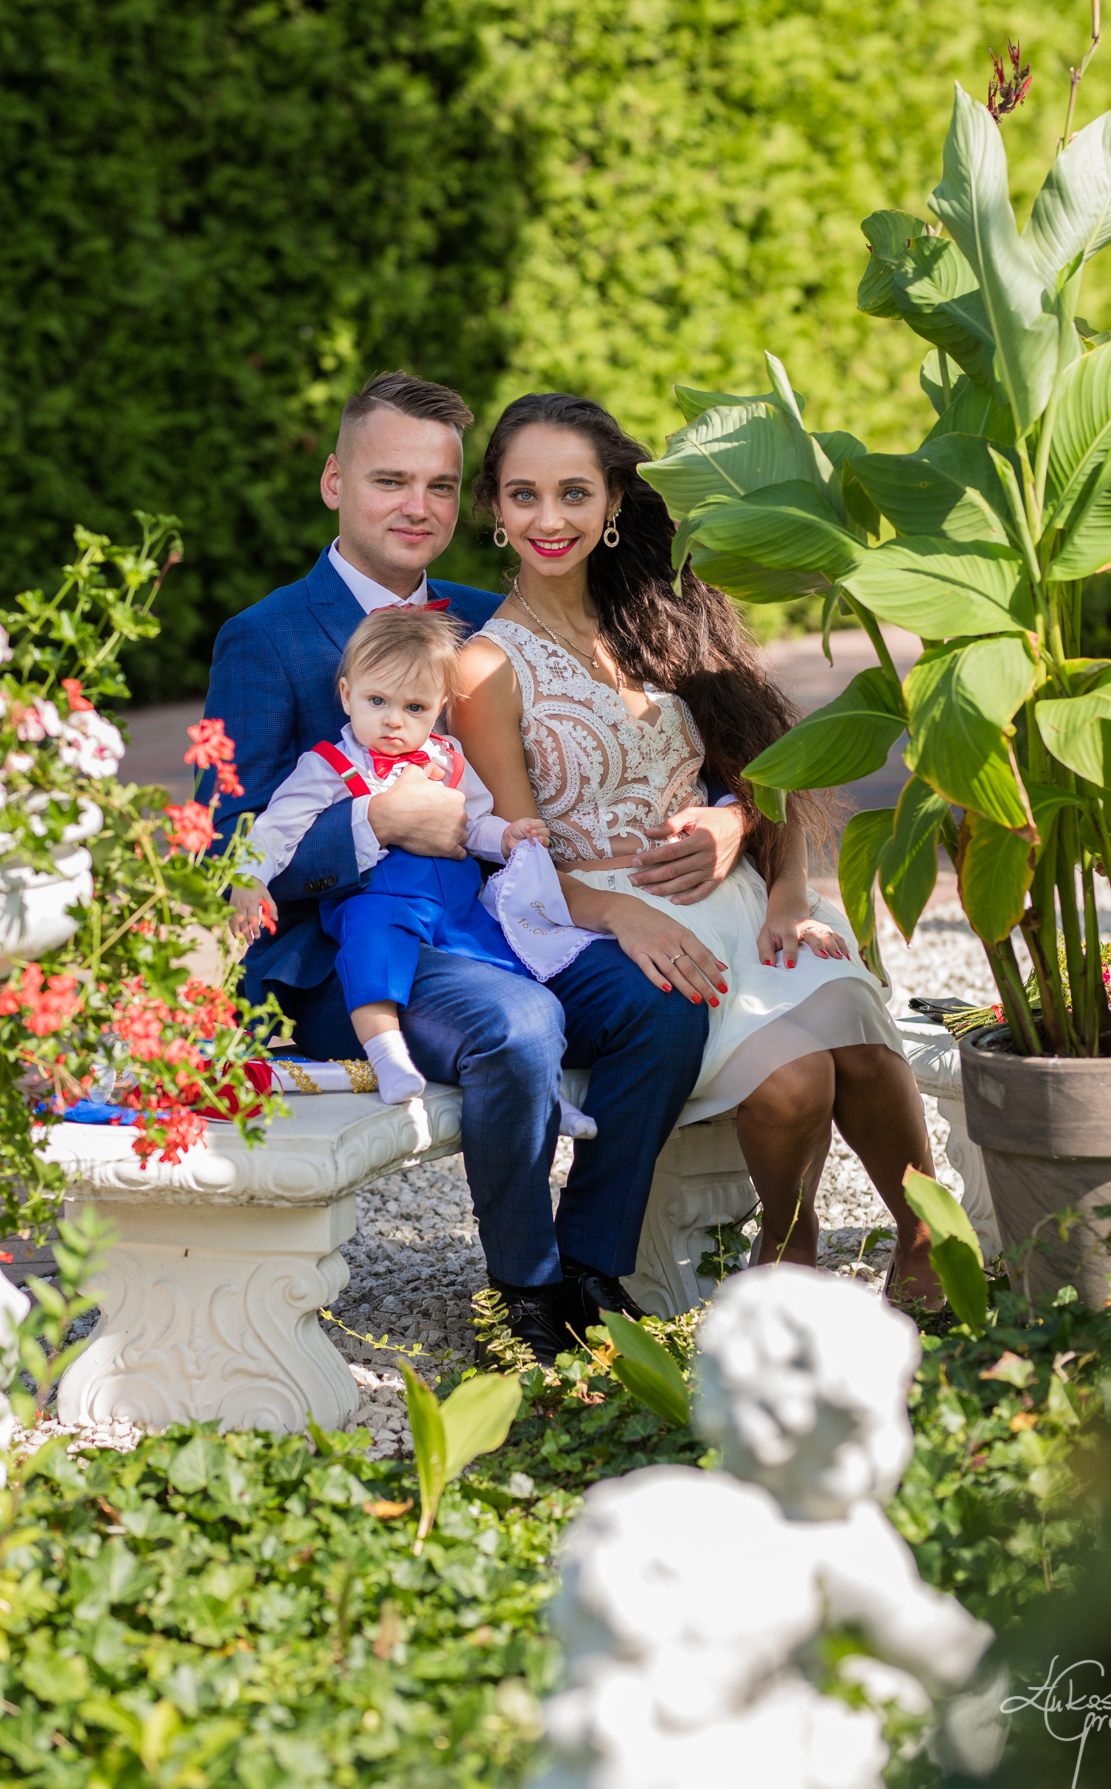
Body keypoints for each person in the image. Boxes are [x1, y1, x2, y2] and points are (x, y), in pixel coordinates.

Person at [199, 369, 749, 1362]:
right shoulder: (266, 639)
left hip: (495, 922)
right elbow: (223, 847)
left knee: (661, 1005)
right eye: (390, 480)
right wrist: (373, 822)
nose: (418, 506)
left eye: (441, 486)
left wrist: (726, 811)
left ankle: (592, 1267)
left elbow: (635, 731)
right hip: (349, 964)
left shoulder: (487, 618)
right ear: (334, 483)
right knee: (520, 1024)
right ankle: (524, 1296)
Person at [453, 393, 942, 1310]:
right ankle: (788, 1253)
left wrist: (764, 859)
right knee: (796, 1080)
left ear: (612, 503)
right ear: (495, 508)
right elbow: (516, 863)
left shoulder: (664, 617)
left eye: (573, 493)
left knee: (864, 1049)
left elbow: (774, 772)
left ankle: (926, 1244)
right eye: (524, 495)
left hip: (749, 898)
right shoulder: (485, 668)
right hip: (621, 923)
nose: (550, 518)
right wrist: (620, 912)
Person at [228, 606, 596, 1137]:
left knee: (506, 964)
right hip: (378, 894)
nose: (393, 721)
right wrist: (250, 877)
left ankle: (547, 1096)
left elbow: (472, 821)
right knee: (373, 952)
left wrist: (505, 836)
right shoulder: (331, 765)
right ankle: (388, 1056)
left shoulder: (448, 758)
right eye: (377, 702)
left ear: (439, 709)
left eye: (414, 707)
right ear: (347, 695)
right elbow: (277, 827)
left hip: (455, 899)